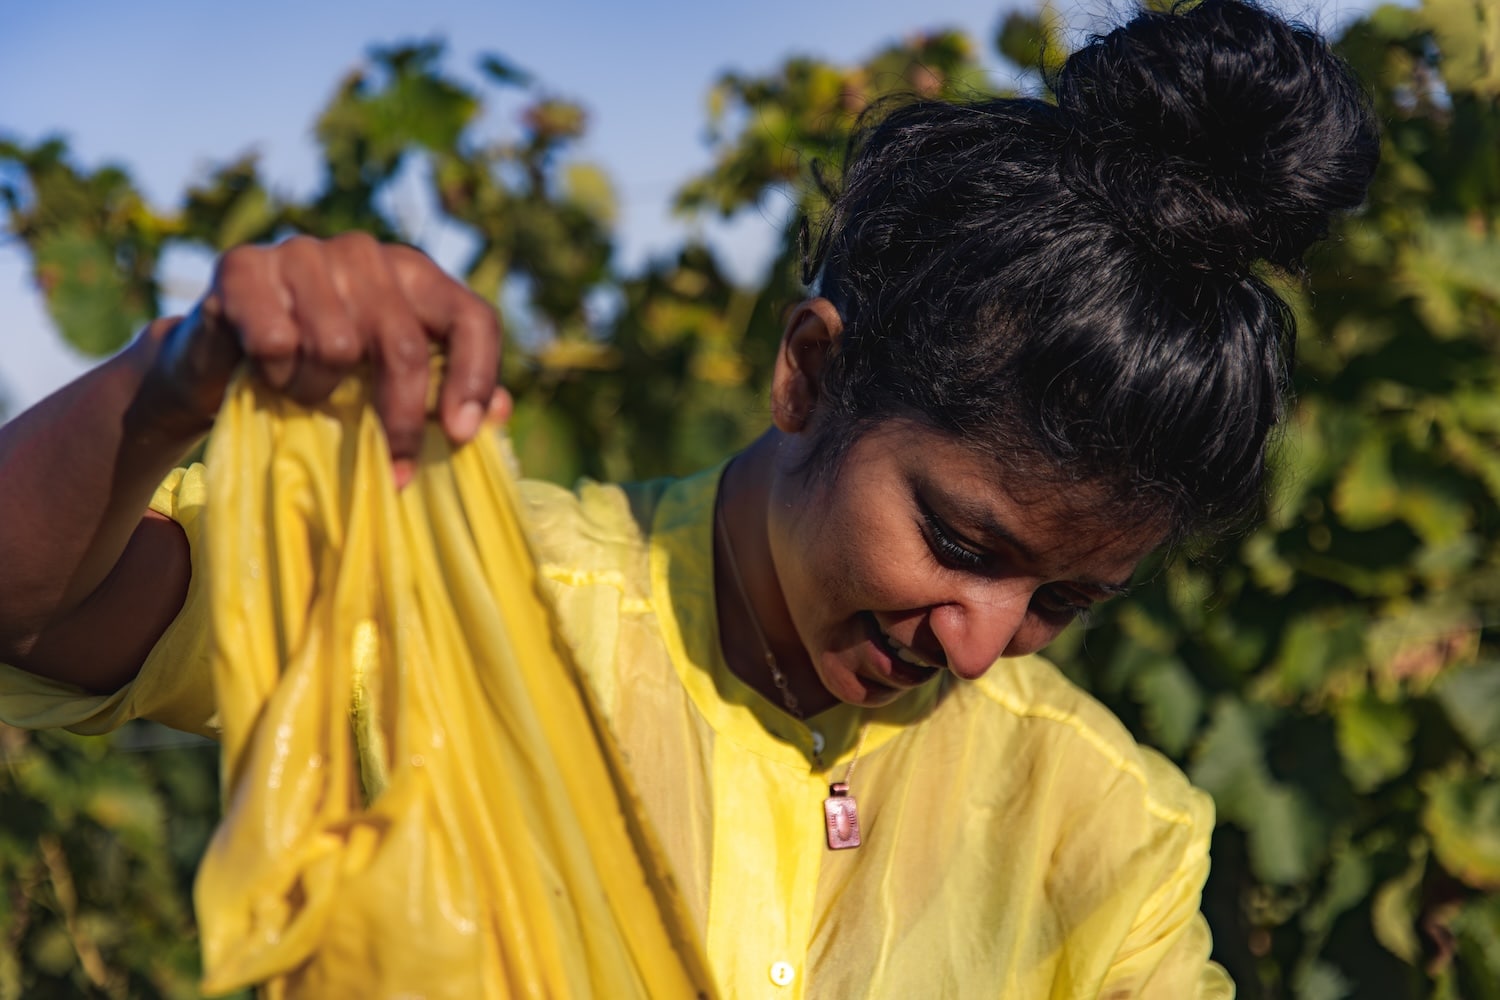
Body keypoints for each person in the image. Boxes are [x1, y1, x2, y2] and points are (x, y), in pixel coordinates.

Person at [0, 1, 1379, 995]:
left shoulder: (1100, 835)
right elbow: (29, 611)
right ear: (811, 374)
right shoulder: (464, 617)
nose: (979, 638)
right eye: (959, 542)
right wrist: (171, 381)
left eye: (1063, 601)